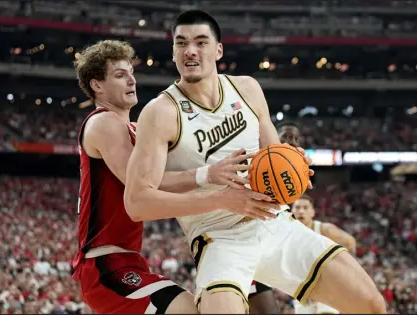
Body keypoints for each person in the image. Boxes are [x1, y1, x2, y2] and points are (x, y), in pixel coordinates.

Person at [124, 9, 386, 314]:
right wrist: (221, 197)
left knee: (371, 305)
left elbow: (274, 154)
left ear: (218, 50)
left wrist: (295, 166)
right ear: (173, 51)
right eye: (181, 43)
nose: (190, 50)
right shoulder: (160, 112)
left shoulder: (247, 89)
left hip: (274, 224)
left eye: (200, 42)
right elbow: (137, 202)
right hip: (219, 238)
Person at [70, 39, 256, 314]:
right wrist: (210, 178)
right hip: (104, 264)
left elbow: (179, 171)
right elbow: (145, 186)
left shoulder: (134, 129)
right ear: (97, 85)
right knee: (187, 309)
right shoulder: (104, 122)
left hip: (126, 260)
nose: (131, 80)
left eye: (131, 74)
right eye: (120, 76)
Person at [248, 120, 303, 314]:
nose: (292, 142)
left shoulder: (294, 176)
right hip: (245, 249)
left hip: (266, 252)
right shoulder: (257, 160)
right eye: (287, 136)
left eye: (296, 138)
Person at [291, 195, 357, 314]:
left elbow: (350, 242)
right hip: (304, 288)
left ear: (312, 212)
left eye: (305, 208)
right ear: (291, 211)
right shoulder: (289, 234)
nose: (301, 211)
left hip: (328, 284)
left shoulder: (324, 229)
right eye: (297, 207)